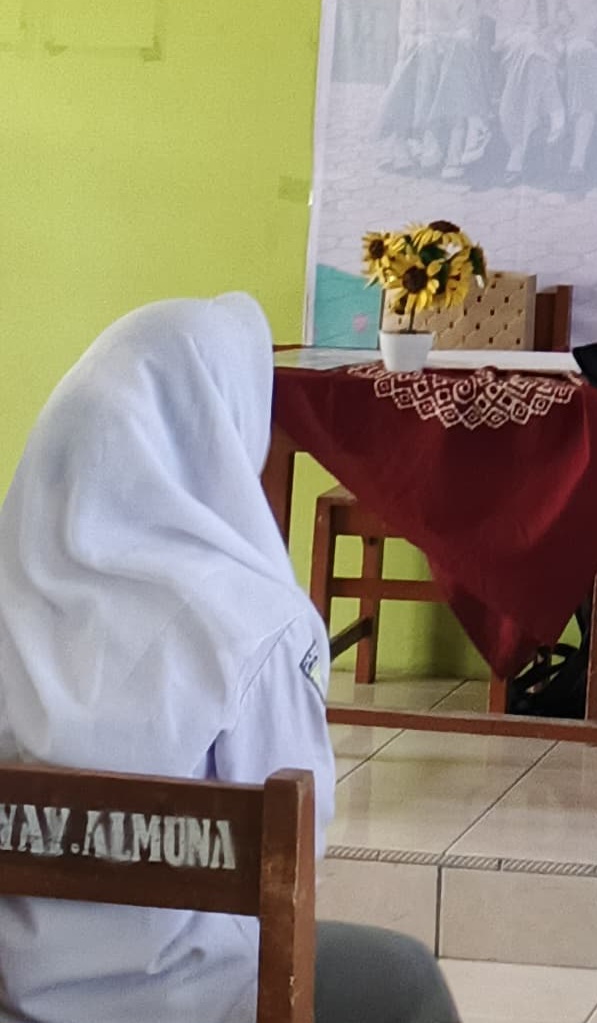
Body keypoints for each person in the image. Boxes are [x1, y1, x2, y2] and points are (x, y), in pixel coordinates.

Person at [0, 295, 459, 1023]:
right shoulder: (257, 626)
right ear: (225, 426)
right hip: (190, 1000)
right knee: (403, 980)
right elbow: (295, 855)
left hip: (15, 994)